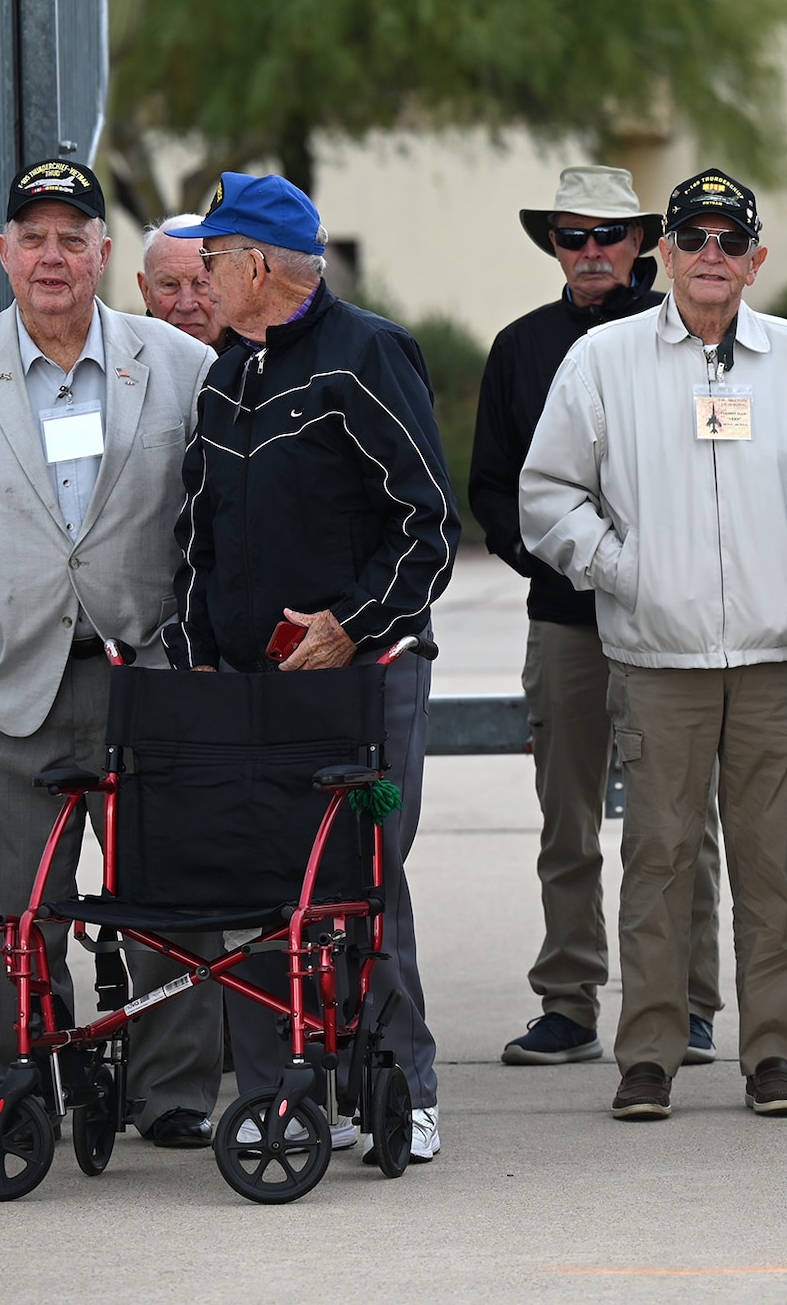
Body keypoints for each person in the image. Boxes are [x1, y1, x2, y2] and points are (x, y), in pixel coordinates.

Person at [519, 167, 787, 1120]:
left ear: (756, 259)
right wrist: (625, 569)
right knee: (659, 860)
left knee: (771, 867)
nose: (711, 256)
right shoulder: (605, 359)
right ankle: (649, 1054)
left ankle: (773, 1056)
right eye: (694, 239)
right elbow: (547, 494)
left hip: (770, 656)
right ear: (665, 254)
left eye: (731, 240)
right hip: (655, 655)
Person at [0, 159, 217, 1146]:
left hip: (146, 681)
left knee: (169, 903)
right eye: (33, 236)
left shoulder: (177, 364)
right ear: (4, 252)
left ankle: (175, 1091)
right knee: (8, 917)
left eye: (73, 237)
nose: (52, 256)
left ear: (105, 255)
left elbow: (211, 525)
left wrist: (196, 658)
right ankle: (20, 1086)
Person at [165, 173, 458, 1162]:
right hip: (250, 697)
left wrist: (351, 622)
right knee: (261, 888)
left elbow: (429, 527)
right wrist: (198, 661)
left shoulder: (364, 352)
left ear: (256, 264)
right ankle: (282, 1098)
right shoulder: (226, 376)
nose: (199, 277)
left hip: (364, 685)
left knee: (359, 882)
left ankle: (400, 1089)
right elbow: (198, 542)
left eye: (209, 259)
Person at [469, 165, 726, 1070]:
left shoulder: (688, 336)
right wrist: (557, 562)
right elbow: (495, 489)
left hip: (671, 623)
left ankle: (690, 1003)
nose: (590, 252)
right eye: (571, 236)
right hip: (568, 624)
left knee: (680, 821)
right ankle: (569, 1001)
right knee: (567, 823)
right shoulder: (521, 347)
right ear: (553, 244)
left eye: (607, 235)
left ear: (641, 243)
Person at [134, 214, 227, 347]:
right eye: (170, 285)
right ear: (146, 291)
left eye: (202, 284)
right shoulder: (118, 358)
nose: (186, 306)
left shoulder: (261, 359)